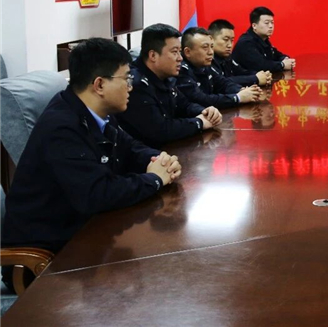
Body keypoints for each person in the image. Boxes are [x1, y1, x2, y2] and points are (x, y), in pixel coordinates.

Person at [1, 38, 181, 264]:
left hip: (85, 231)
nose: (131, 87)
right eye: (126, 79)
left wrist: (160, 161)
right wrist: (154, 179)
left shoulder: (96, 112)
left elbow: (130, 147)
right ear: (99, 85)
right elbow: (98, 194)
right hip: (48, 254)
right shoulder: (61, 128)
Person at [119, 24, 222, 148]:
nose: (180, 58)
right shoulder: (136, 84)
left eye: (179, 52)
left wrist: (205, 112)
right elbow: (160, 130)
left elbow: (184, 105)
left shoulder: (164, 76)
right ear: (153, 56)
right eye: (174, 52)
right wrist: (198, 123)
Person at [177, 27, 263, 109]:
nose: (211, 52)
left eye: (211, 46)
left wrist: (242, 90)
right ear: (187, 52)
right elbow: (202, 100)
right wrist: (237, 97)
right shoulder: (181, 71)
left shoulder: (204, 65)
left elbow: (224, 83)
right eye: (205, 47)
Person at [208, 19, 271, 87]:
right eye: (226, 40)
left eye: (232, 40)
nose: (230, 45)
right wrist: (256, 78)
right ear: (211, 39)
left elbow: (242, 72)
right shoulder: (207, 60)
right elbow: (223, 81)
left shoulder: (228, 58)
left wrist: (263, 75)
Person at [231, 7, 296, 73]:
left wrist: (286, 59)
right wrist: (282, 65)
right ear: (254, 26)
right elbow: (261, 66)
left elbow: (276, 55)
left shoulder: (263, 40)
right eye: (266, 23)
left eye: (272, 22)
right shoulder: (246, 43)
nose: (270, 26)